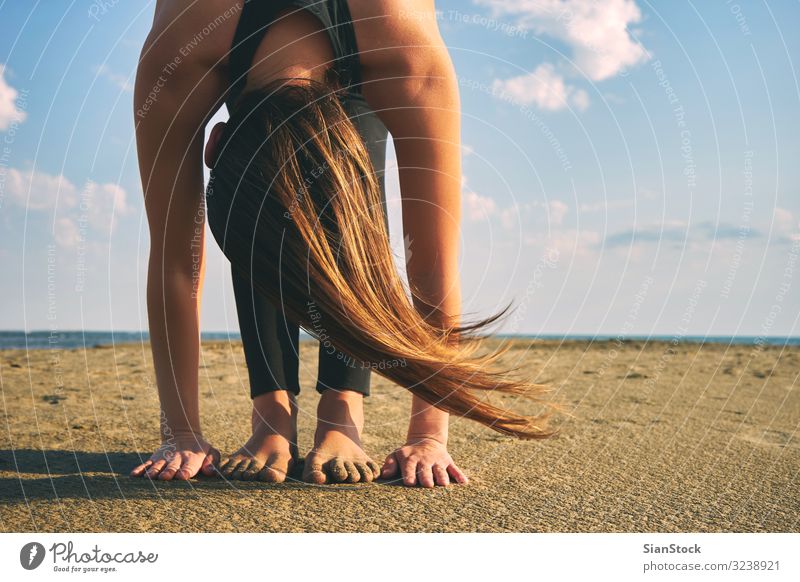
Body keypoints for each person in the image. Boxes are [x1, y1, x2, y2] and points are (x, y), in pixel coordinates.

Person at [130, 0, 555, 488]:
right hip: (264, 53)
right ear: (214, 142)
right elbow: (175, 260)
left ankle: (342, 407)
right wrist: (180, 431)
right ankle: (271, 411)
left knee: (324, 184)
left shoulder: (406, 53)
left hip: (369, 45)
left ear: (213, 142)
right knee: (263, 201)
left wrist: (429, 433)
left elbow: (433, 264)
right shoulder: (179, 59)